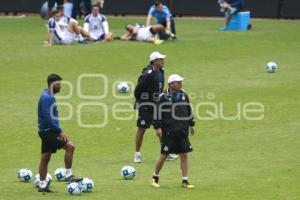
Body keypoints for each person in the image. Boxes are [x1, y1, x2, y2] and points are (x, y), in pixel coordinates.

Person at [37, 74, 82, 193]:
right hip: (49, 132)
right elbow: (48, 118)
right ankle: (68, 176)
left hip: (45, 131)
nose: (60, 86)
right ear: (51, 84)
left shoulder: (47, 95)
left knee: (45, 157)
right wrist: (60, 132)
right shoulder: (47, 98)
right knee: (70, 147)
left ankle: (42, 186)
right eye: (58, 84)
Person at [151, 74, 195, 189]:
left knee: (184, 155)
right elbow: (156, 113)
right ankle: (155, 177)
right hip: (169, 131)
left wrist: (191, 124)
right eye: (178, 82)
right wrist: (157, 127)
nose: (181, 84)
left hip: (182, 131)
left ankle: (185, 181)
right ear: (171, 84)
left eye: (181, 82)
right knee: (164, 155)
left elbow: (188, 110)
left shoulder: (184, 95)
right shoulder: (163, 97)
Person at [133, 52, 178, 163]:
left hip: (157, 105)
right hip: (146, 106)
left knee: (162, 128)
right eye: (161, 59)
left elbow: (159, 89)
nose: (163, 61)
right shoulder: (148, 74)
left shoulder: (161, 72)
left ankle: (166, 152)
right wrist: (142, 101)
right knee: (142, 129)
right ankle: (137, 154)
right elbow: (137, 90)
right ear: (154, 61)